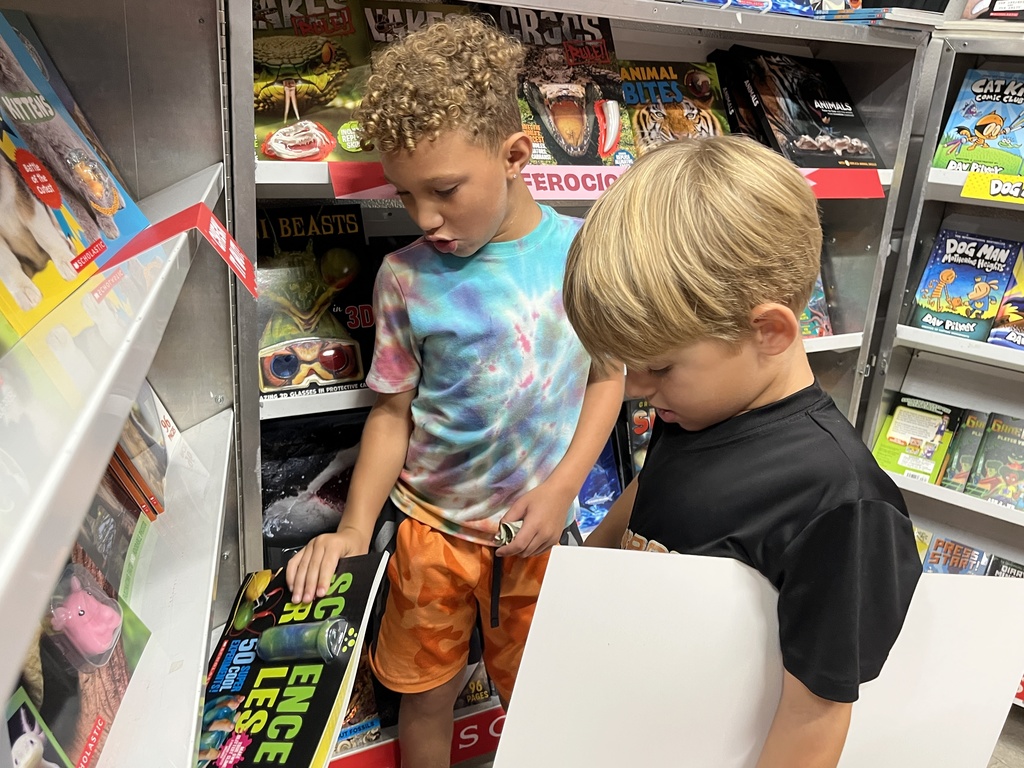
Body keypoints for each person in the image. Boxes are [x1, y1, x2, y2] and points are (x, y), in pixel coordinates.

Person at [284, 15, 624, 768]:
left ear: (514, 155)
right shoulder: (404, 276)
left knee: (544, 699)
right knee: (425, 696)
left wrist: (564, 488)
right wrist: (353, 529)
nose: (425, 218)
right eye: (406, 195)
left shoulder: (584, 254)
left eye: (443, 190)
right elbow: (391, 413)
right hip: (429, 533)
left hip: (536, 536)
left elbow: (609, 376)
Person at [563, 135, 921, 768]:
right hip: (638, 715)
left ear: (770, 331)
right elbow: (654, 485)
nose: (635, 389)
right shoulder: (698, 408)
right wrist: (585, 575)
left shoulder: (840, 503)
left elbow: (815, 714)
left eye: (659, 367)